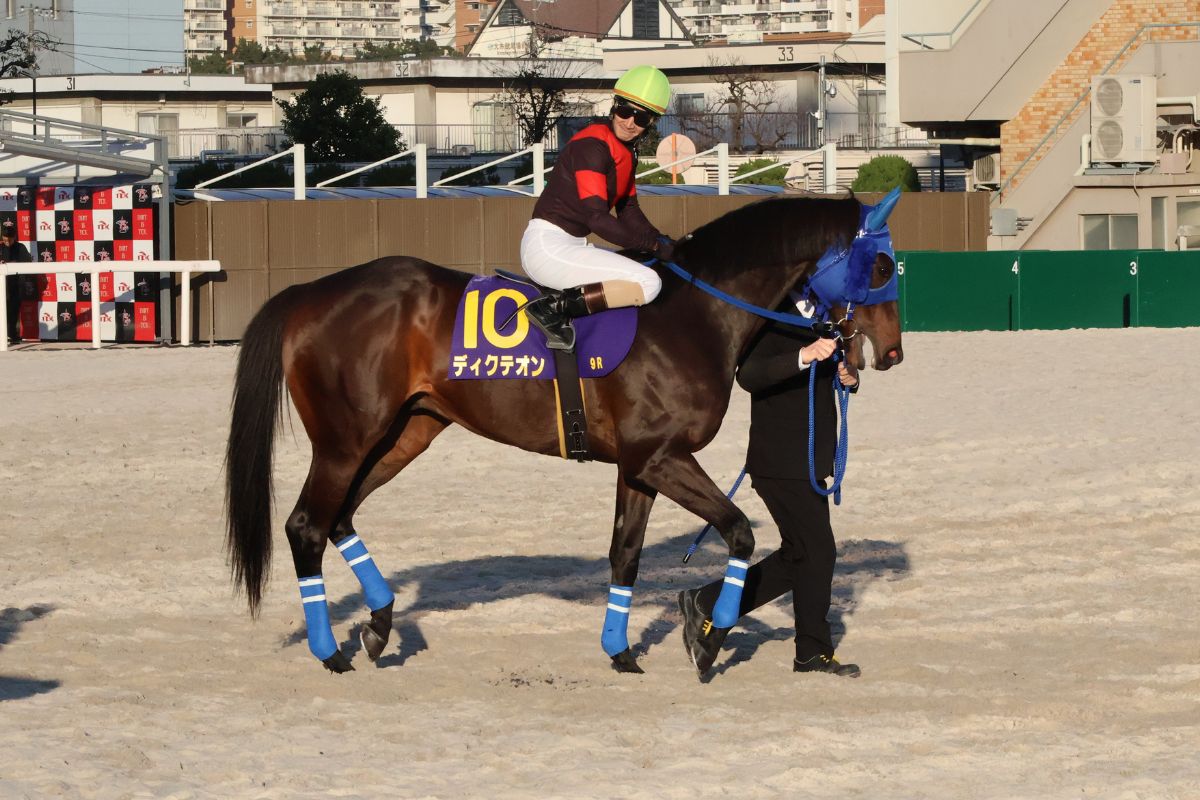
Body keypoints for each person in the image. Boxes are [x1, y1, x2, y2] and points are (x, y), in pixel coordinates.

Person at [678, 295, 863, 678]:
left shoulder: (825, 314)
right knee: (818, 552)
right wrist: (804, 356)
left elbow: (830, 372)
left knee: (800, 555)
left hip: (808, 459)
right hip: (779, 460)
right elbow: (749, 375)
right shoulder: (771, 312)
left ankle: (706, 602)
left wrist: (848, 375)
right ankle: (811, 651)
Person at [519, 65, 675, 350]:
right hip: (548, 249)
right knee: (648, 282)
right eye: (625, 112)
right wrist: (651, 245)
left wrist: (661, 239)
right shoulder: (593, 145)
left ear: (651, 122)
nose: (630, 123)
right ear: (614, 107)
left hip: (571, 245)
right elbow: (597, 219)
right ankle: (552, 309)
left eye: (641, 118)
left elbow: (629, 210)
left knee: (645, 265)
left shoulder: (627, 152)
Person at [1, 227, 32, 343]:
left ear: (14, 237)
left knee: (14, 311)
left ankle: (12, 335)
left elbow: (27, 262)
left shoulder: (21, 247)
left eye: (9, 240)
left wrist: (10, 264)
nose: (7, 242)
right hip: (2, 285)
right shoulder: (0, 247)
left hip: (16, 285)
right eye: (5, 240)